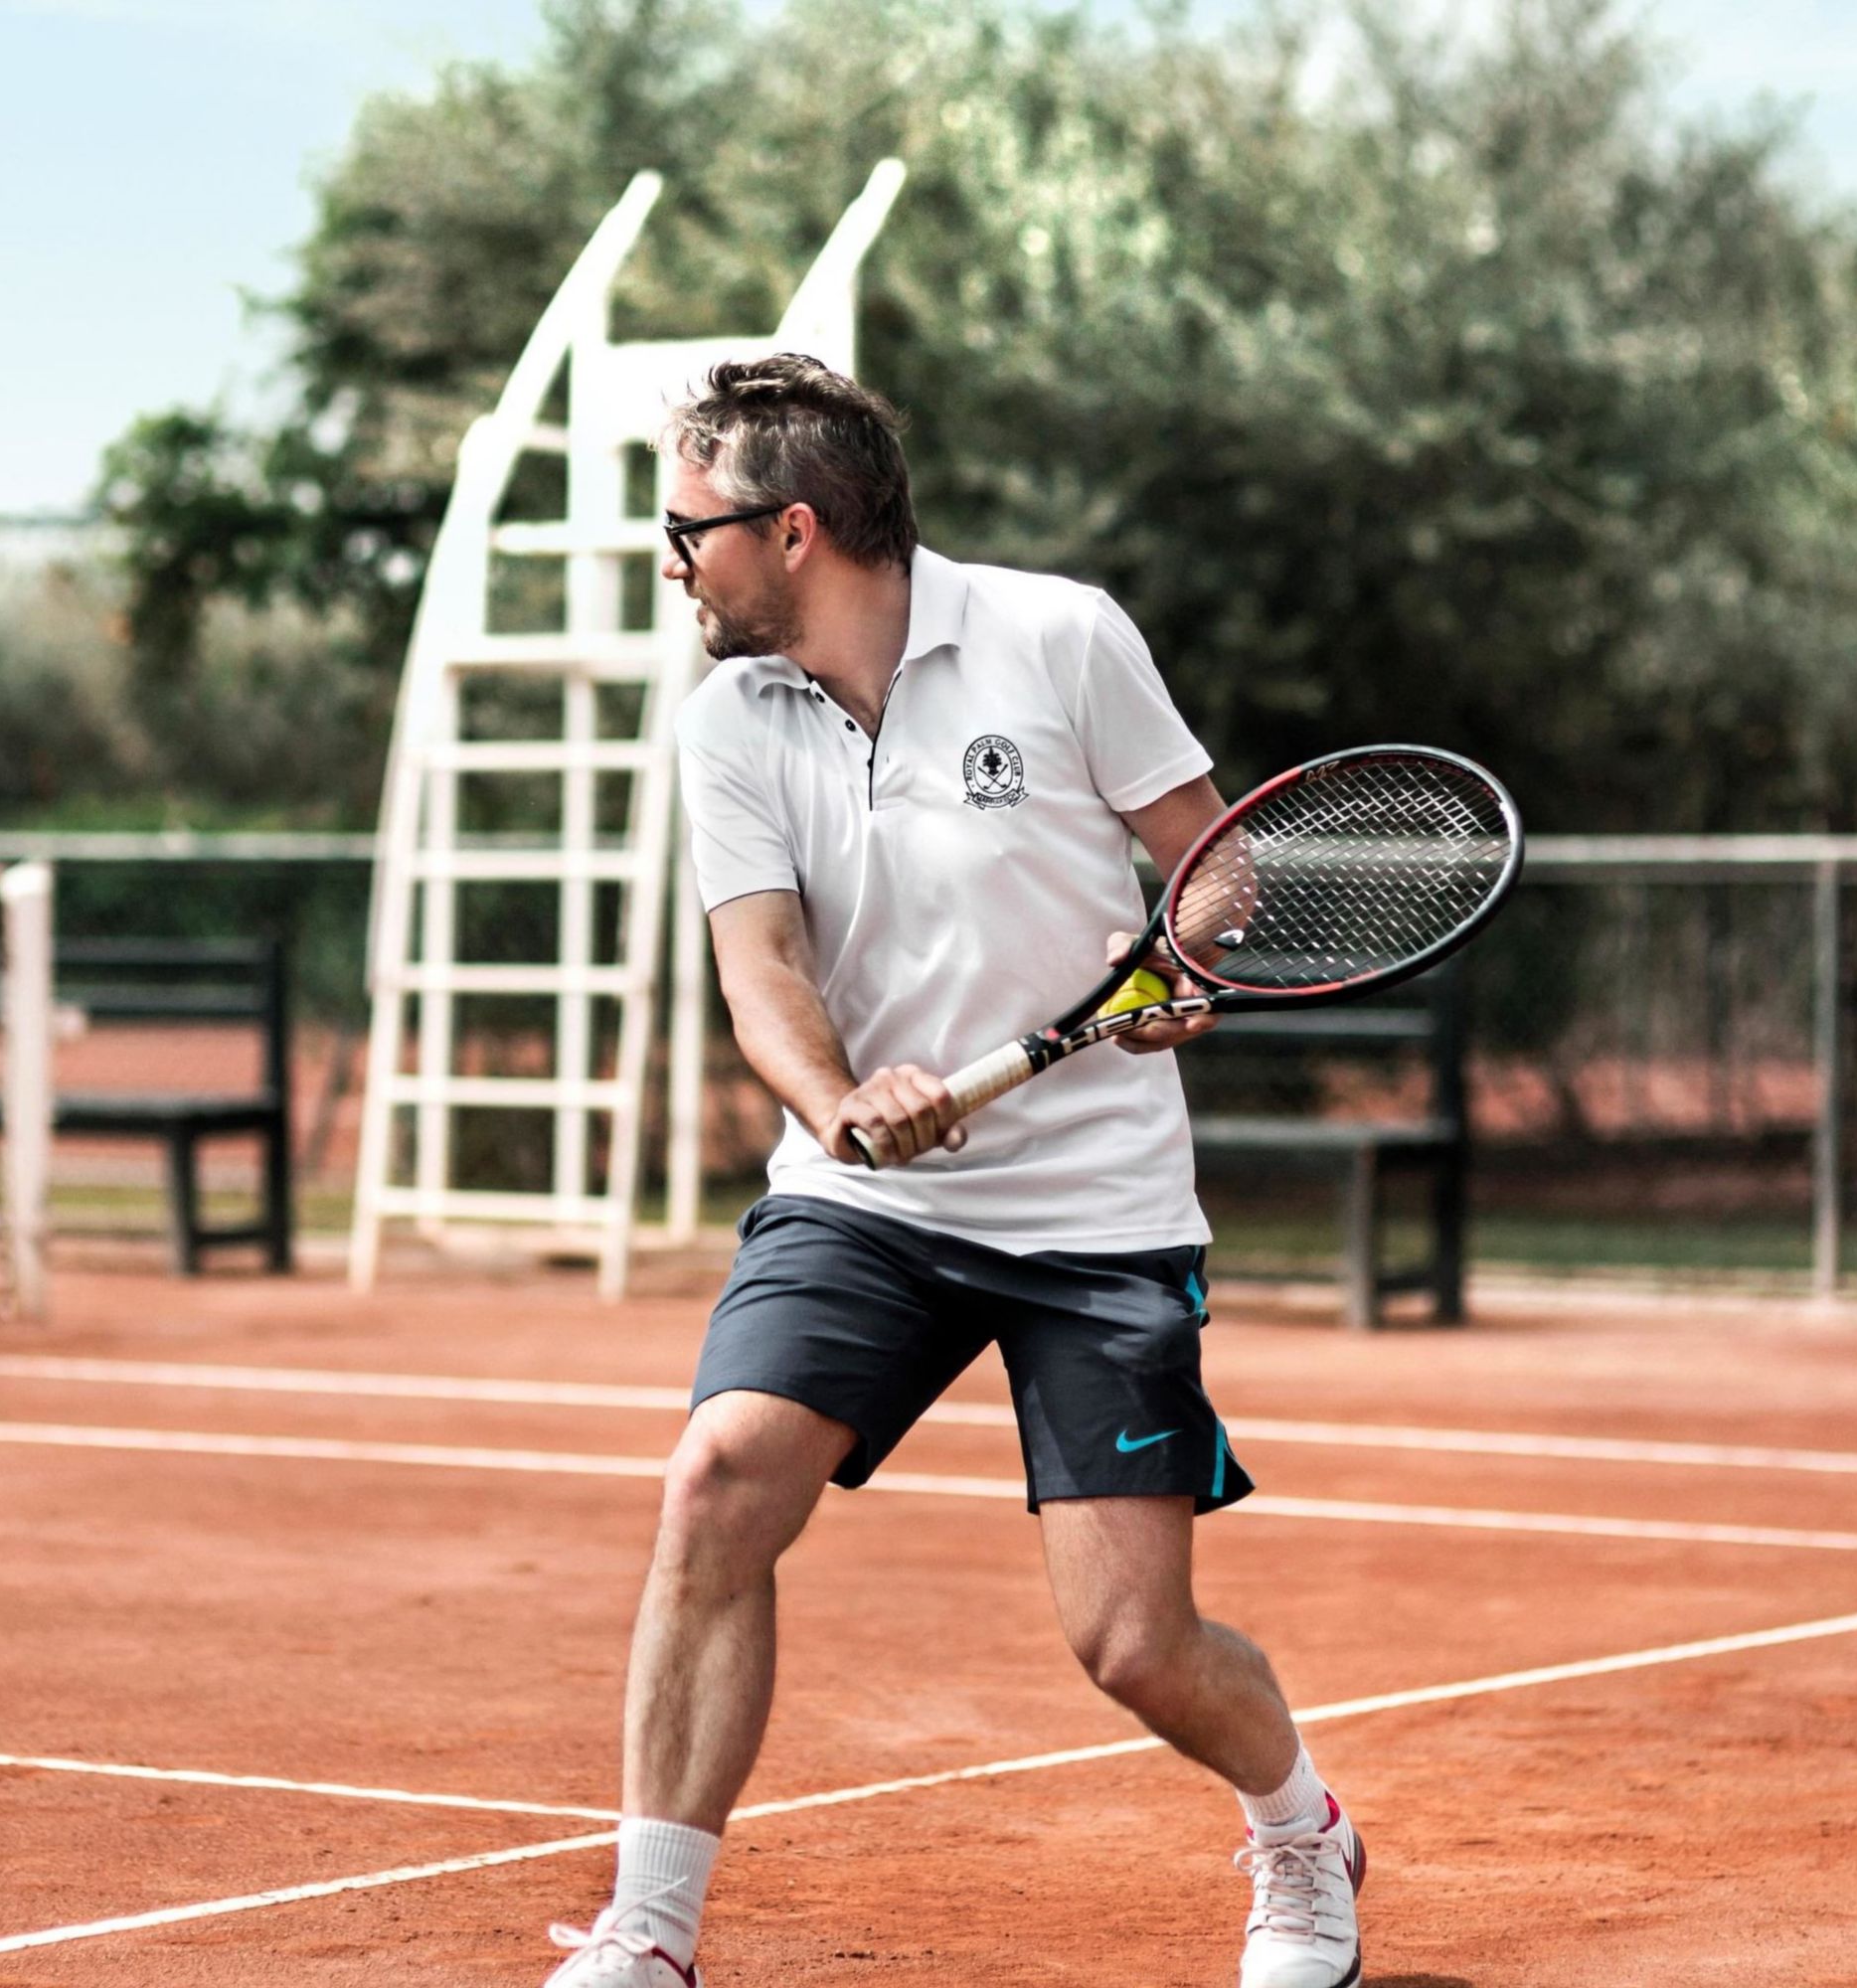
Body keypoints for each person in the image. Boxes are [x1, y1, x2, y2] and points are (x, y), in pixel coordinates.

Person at [539, 355, 1363, 1988]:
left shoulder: (1059, 636)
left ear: (792, 530)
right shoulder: (728, 721)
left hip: (1097, 1214)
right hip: (865, 1203)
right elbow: (761, 968)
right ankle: (649, 1933)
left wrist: (1176, 971)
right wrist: (843, 1105)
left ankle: (1301, 1834)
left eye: (686, 530)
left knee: (1133, 1646)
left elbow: (1212, 872)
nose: (670, 563)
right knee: (718, 1483)